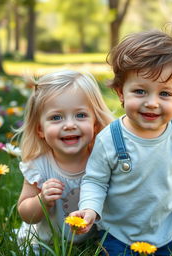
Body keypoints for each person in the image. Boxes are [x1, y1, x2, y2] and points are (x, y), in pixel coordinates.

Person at [70, 29, 172, 256]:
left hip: (165, 229)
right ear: (121, 93)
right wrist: (90, 208)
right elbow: (95, 180)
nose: (152, 103)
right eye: (140, 91)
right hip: (118, 233)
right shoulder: (110, 139)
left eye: (165, 94)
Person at [16, 70, 113, 255]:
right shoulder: (39, 166)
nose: (69, 125)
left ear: (95, 123)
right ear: (40, 129)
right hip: (46, 243)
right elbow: (26, 215)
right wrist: (41, 200)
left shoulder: (103, 160)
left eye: (80, 115)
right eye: (56, 117)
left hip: (93, 242)